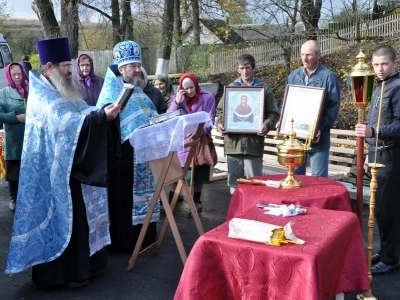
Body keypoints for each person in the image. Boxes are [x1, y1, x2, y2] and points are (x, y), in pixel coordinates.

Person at [5, 37, 121, 288]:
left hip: (70, 168)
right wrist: (102, 117)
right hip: (53, 174)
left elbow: (82, 111)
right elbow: (65, 125)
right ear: (50, 67)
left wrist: (102, 112)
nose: (71, 70)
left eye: (70, 65)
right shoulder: (43, 95)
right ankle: (65, 274)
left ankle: (88, 266)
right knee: (69, 219)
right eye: (66, 66)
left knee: (81, 219)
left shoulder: (62, 88)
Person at [97, 40, 159, 252]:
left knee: (145, 197)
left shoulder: (137, 90)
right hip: (123, 160)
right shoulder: (110, 93)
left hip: (142, 156)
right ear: (121, 68)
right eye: (132, 66)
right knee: (124, 200)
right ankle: (125, 244)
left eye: (138, 65)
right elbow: (106, 123)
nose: (137, 69)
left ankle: (145, 239)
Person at [355, 45, 400, 275]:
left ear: (395, 63)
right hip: (377, 153)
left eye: (384, 64)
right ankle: (384, 251)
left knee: (388, 209)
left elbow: (399, 125)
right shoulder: (378, 87)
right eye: (376, 64)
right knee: (379, 208)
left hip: (391, 156)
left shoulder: (398, 88)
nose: (379, 69)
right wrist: (368, 155)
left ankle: (391, 258)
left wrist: (373, 133)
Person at [216, 54, 280, 195]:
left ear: (253, 68)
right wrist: (220, 123)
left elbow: (274, 113)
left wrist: (266, 125)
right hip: (233, 143)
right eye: (242, 68)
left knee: (254, 180)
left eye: (248, 67)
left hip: (253, 143)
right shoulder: (231, 89)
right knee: (234, 181)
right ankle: (236, 210)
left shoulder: (263, 89)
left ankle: (253, 212)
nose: (245, 71)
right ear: (238, 70)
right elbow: (221, 111)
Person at [285, 40, 340, 177]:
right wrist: (284, 121)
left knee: (318, 181)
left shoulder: (328, 77)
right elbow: (287, 104)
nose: (305, 58)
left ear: (319, 55)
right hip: (296, 139)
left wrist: (320, 128)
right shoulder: (293, 76)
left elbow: (333, 107)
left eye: (309, 55)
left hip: (318, 139)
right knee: (295, 178)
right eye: (302, 54)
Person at [167, 72, 216, 211]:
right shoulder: (177, 98)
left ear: (196, 84)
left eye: (192, 87)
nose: (189, 91)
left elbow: (210, 120)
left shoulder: (208, 97)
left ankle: (196, 200)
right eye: (186, 88)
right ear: (181, 88)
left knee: (199, 171)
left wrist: (199, 132)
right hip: (181, 141)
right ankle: (172, 200)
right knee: (177, 172)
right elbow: (169, 116)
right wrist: (177, 101)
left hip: (200, 139)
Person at [0, 62, 28, 212]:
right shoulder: (3, 93)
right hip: (14, 138)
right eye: (14, 75)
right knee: (14, 171)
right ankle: (14, 198)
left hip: (31, 137)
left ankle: (29, 197)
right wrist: (16, 118)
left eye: (19, 74)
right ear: (9, 76)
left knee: (29, 169)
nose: (17, 77)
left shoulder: (30, 90)